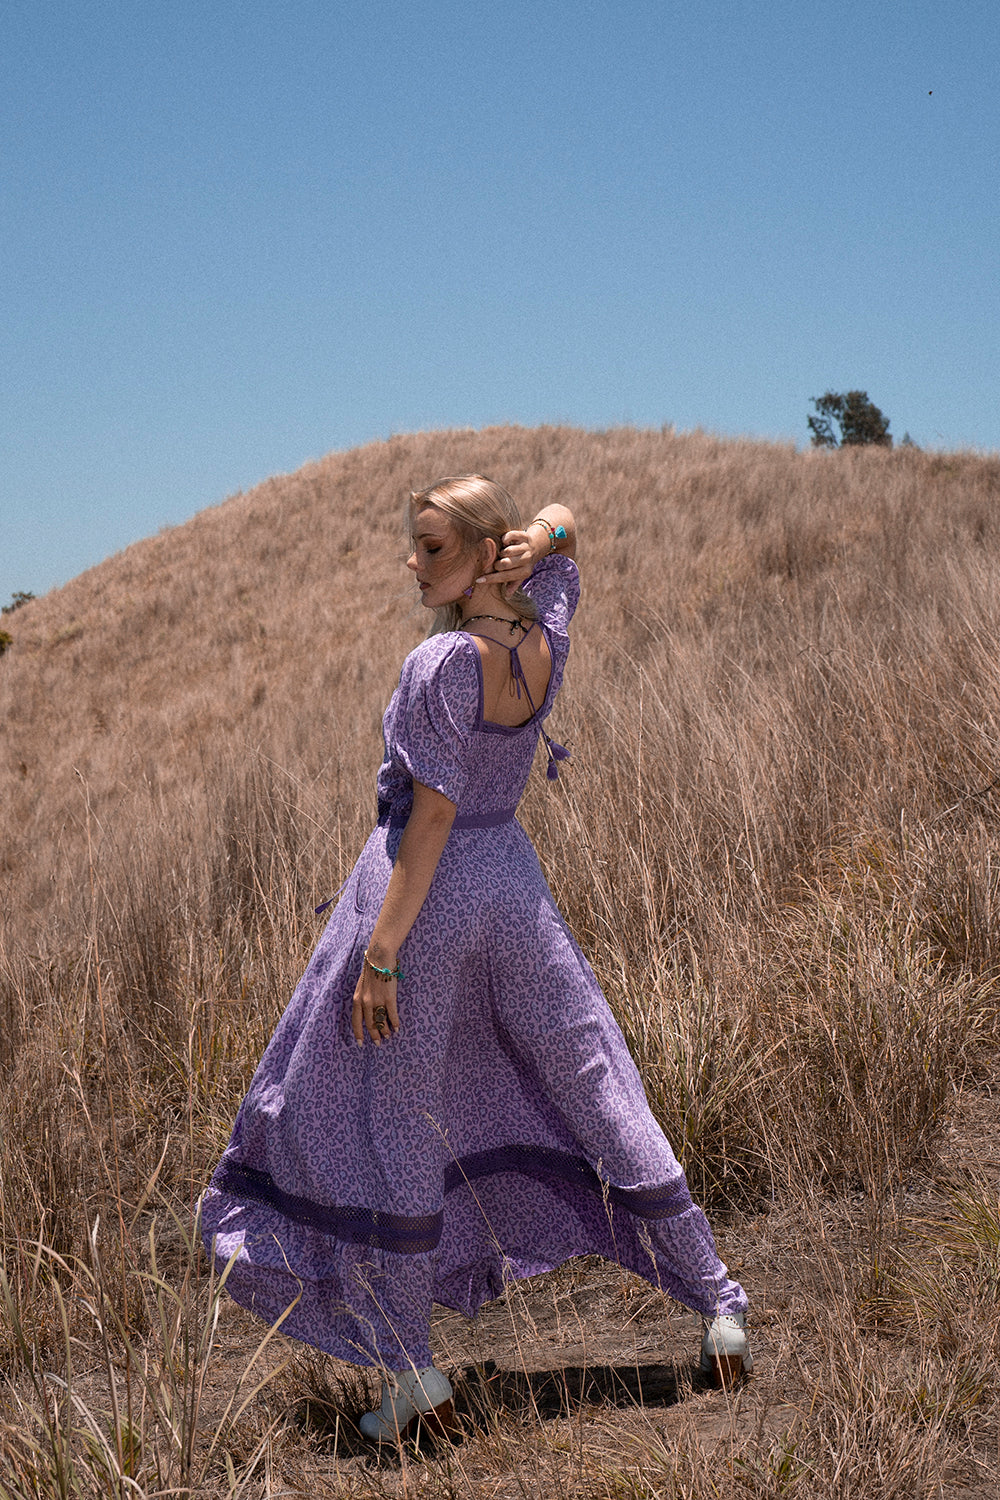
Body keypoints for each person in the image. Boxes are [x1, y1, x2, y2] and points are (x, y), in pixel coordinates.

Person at [202, 475, 750, 1444]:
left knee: (393, 1122)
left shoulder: (440, 664)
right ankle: (719, 1306)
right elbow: (573, 531)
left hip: (429, 896)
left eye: (431, 548)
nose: (412, 565)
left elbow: (433, 814)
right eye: (413, 547)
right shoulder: (546, 634)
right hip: (514, 885)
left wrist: (381, 954)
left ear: (478, 553)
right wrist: (539, 539)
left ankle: (413, 1372)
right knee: (592, 1079)